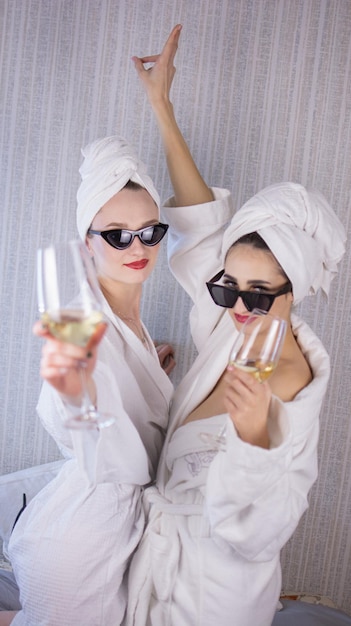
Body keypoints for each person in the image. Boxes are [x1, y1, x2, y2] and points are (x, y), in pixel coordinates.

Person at [123, 30, 347, 626]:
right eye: (226, 286)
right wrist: (161, 105)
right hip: (150, 561)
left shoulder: (289, 378)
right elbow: (200, 228)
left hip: (211, 592)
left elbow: (259, 530)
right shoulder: (233, 326)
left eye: (257, 294)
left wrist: (252, 442)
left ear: (295, 290)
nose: (237, 307)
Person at [0, 24, 216, 626]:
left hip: (112, 530)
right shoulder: (77, 316)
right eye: (117, 235)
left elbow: (200, 234)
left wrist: (149, 375)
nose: (138, 246)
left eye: (150, 231)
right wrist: (75, 389)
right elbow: (71, 405)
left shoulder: (134, 326)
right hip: (81, 543)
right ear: (85, 242)